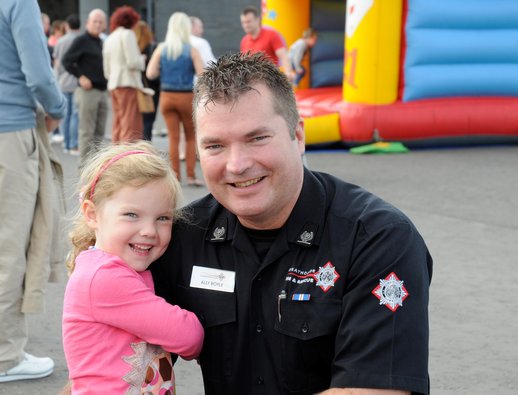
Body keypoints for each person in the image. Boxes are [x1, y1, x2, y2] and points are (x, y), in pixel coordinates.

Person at [151, 52, 432, 395]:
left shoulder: (377, 238)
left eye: (257, 138)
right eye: (215, 146)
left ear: (298, 136)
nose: (236, 165)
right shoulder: (182, 236)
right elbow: (120, 363)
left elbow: (373, 389)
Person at [63, 141, 204, 393]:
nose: (149, 231)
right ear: (92, 214)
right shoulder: (105, 278)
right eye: (131, 215)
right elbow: (187, 337)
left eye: (163, 218)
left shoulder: (113, 269)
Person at [0, 0, 66, 383]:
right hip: (9, 132)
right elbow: (39, 73)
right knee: (9, 245)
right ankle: (5, 357)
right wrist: (55, 107)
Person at [146, 12, 204, 186]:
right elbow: (202, 74)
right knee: (191, 136)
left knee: (173, 137)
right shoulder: (191, 50)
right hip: (186, 96)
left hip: (166, 96)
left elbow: (150, 73)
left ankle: (175, 176)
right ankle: (192, 176)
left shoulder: (161, 48)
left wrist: (164, 72)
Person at [62, 8, 108, 165]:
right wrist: (80, 76)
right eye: (94, 21)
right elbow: (66, 61)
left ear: (105, 25)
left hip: (102, 91)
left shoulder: (101, 41)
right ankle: (83, 173)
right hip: (88, 92)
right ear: (88, 23)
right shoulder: (81, 40)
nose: (97, 24)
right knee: (86, 134)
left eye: (100, 22)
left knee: (100, 134)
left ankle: (96, 170)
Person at [103, 6, 145, 143]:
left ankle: (115, 152)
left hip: (113, 83)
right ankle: (126, 155)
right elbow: (132, 62)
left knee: (118, 121)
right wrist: (142, 60)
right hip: (127, 82)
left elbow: (106, 67)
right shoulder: (128, 34)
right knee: (129, 122)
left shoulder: (110, 38)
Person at [239, 5, 294, 82]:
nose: (246, 25)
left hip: (270, 81)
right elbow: (243, 63)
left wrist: (288, 72)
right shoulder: (244, 41)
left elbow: (283, 56)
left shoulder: (272, 34)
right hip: (252, 83)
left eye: (248, 21)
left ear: (257, 20)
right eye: (243, 22)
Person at [53, 14, 81, 156]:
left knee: (66, 114)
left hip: (63, 81)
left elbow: (57, 64)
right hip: (77, 82)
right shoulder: (80, 40)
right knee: (75, 114)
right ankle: (73, 144)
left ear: (67, 26)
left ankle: (66, 143)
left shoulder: (60, 41)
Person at [134, 20, 160, 141]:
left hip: (136, 87)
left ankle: (137, 145)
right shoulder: (153, 47)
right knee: (149, 120)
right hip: (152, 88)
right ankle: (146, 145)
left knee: (136, 120)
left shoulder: (133, 48)